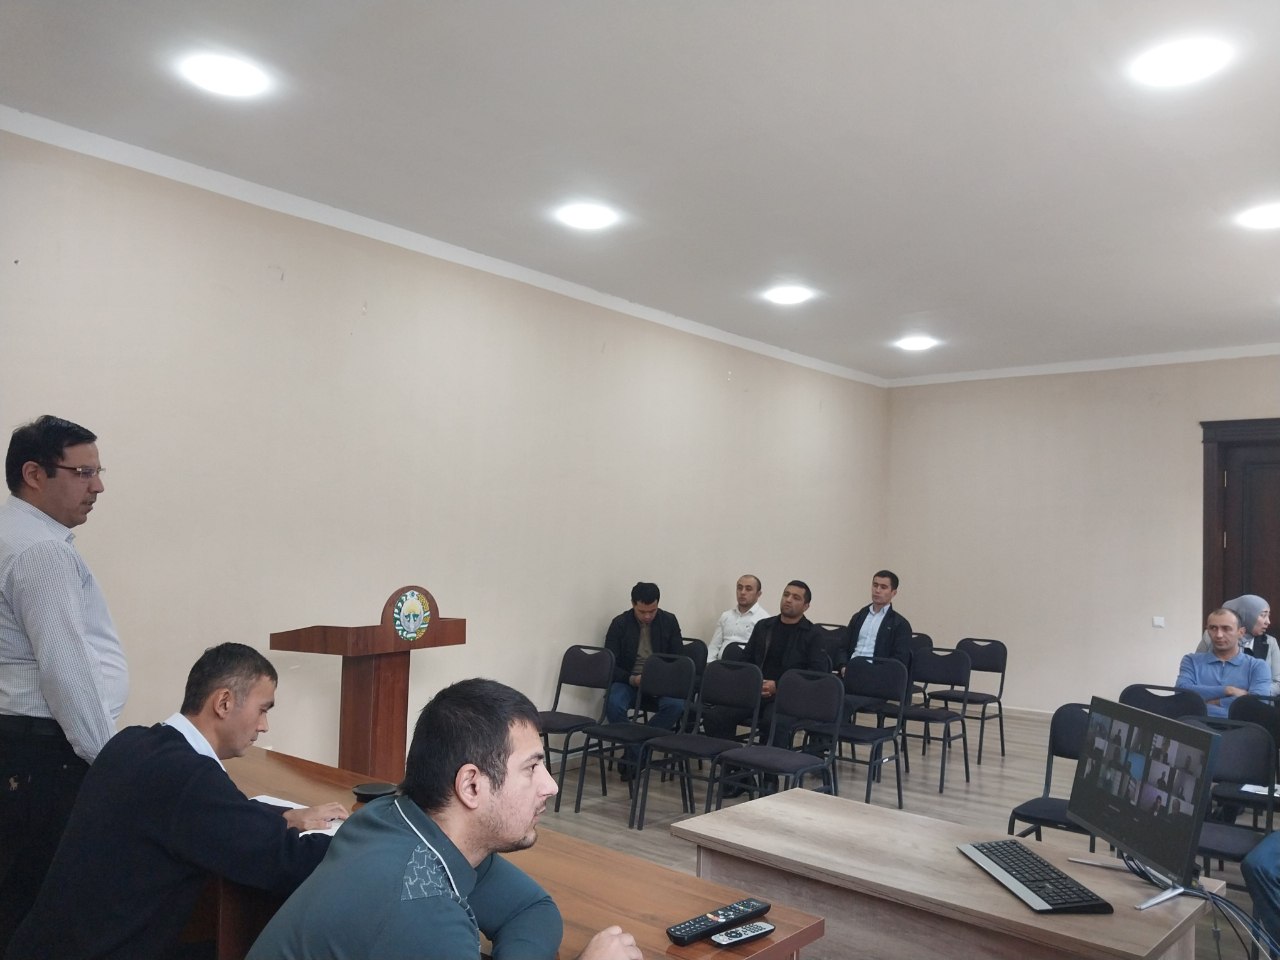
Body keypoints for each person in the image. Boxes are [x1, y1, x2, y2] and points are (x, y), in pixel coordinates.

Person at [247, 678, 642, 960]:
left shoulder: (394, 817)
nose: (550, 786)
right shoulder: (422, 910)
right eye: (531, 768)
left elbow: (532, 909)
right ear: (471, 786)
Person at [6, 643, 347, 960]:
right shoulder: (190, 778)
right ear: (224, 703)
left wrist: (286, 815)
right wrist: (360, 838)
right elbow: (284, 861)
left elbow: (219, 814)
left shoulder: (133, 743)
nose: (264, 726)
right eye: (262, 710)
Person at [0, 415, 129, 951]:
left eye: (98, 472)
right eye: (82, 473)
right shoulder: (41, 551)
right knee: (41, 913)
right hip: (46, 758)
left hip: (22, 753)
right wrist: (111, 764)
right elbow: (65, 669)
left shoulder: (12, 534)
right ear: (35, 474)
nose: (97, 487)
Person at [703, 580, 826, 746]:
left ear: (806, 606)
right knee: (715, 716)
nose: (788, 600)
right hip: (755, 691)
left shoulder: (813, 634)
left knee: (772, 723)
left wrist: (778, 685)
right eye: (786, 594)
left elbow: (815, 674)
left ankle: (766, 762)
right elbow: (746, 660)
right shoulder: (764, 626)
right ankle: (730, 758)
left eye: (796, 597)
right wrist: (754, 681)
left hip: (787, 697)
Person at [603, 582, 685, 745]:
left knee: (675, 706)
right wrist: (633, 679)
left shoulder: (668, 621)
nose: (647, 616)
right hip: (629, 679)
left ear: (658, 604)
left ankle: (638, 746)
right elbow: (610, 664)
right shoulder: (620, 623)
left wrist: (660, 678)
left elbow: (678, 659)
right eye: (642, 612)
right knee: (613, 703)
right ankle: (640, 749)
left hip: (661, 681)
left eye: (652, 611)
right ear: (633, 604)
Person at [1175, 608, 1270, 718]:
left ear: (1241, 632)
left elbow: (1258, 703)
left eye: (1226, 628)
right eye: (1213, 628)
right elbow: (1181, 693)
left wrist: (1216, 702)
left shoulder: (1257, 666)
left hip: (1240, 725)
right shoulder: (1191, 660)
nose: (1219, 635)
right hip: (1195, 723)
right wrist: (1228, 690)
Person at [1194, 594, 1278, 696]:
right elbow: (1196, 672)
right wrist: (1226, 692)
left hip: (1255, 702)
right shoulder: (1211, 637)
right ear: (1246, 615)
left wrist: (1250, 694)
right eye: (1263, 615)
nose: (1268, 622)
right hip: (1211, 701)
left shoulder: (1270, 642)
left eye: (1268, 616)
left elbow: (1278, 682)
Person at [843, 569, 912, 670]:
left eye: (883, 587)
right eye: (875, 585)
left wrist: (878, 672)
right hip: (851, 669)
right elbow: (843, 647)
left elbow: (899, 660)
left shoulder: (900, 624)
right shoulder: (858, 617)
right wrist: (843, 666)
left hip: (878, 672)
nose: (877, 590)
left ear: (893, 593)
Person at [707, 574, 769, 661]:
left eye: (748, 589)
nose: (742, 592)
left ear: (758, 594)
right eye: (739, 588)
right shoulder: (726, 616)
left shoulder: (764, 620)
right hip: (720, 665)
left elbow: (760, 654)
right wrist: (709, 664)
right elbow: (714, 646)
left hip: (745, 666)